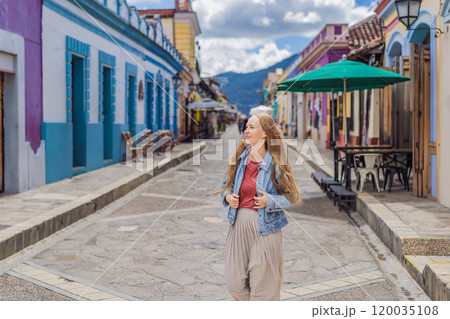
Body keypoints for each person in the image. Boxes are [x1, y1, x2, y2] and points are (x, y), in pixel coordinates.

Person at [214, 112, 302, 301]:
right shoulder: (239, 159)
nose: (246, 130)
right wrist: (228, 197)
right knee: (234, 285)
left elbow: (292, 197)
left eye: (251, 127)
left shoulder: (277, 163)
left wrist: (269, 201)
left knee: (263, 289)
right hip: (238, 227)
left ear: (264, 133)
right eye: (246, 126)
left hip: (266, 229)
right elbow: (224, 187)